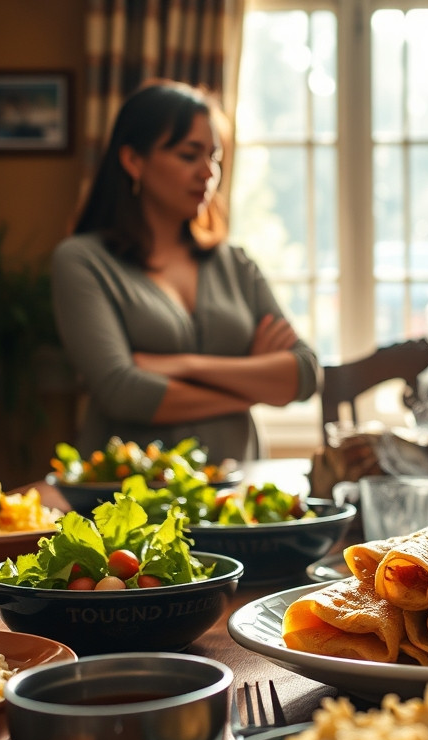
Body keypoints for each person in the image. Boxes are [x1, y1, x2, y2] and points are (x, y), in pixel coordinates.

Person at [52, 80, 319, 462]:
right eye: (189, 155)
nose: (207, 173)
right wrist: (253, 382)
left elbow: (306, 374)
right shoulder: (82, 261)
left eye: (214, 158)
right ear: (133, 161)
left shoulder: (235, 264)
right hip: (133, 501)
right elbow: (122, 392)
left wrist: (182, 365)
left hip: (239, 499)